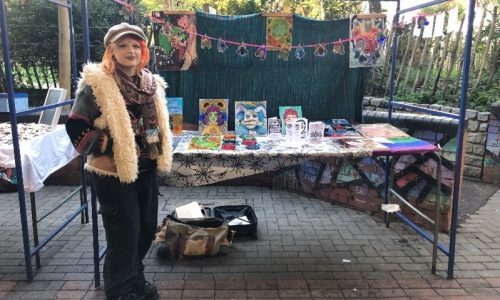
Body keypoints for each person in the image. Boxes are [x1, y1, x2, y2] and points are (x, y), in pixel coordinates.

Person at [65, 23, 172, 300]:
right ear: (110, 52)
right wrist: (111, 144)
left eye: (136, 45)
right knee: (123, 234)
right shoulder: (96, 85)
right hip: (113, 173)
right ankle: (119, 291)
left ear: (143, 51)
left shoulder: (150, 84)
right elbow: (76, 128)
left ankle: (134, 280)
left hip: (147, 169)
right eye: (122, 46)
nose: (130, 51)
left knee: (146, 230)